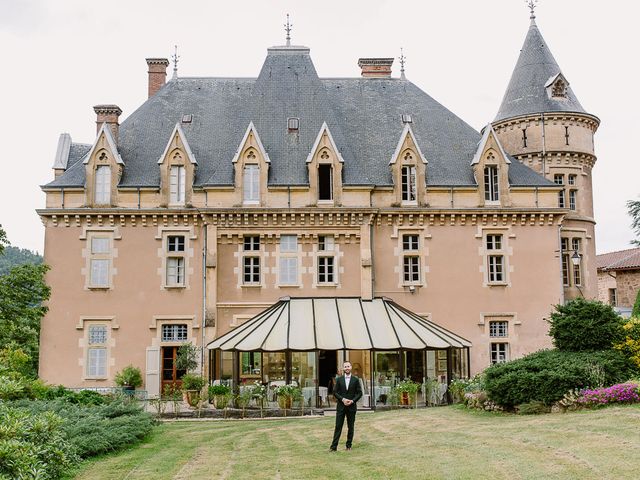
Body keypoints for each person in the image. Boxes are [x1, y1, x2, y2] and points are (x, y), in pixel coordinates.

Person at [329, 361, 363, 451]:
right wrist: (343, 399)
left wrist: (352, 401)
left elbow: (360, 393)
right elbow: (335, 392)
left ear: (351, 367)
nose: (347, 368)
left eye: (348, 366)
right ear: (343, 368)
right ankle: (333, 447)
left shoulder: (355, 380)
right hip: (341, 406)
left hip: (351, 407)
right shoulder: (339, 379)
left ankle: (349, 446)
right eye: (345, 367)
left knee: (350, 427)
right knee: (338, 426)